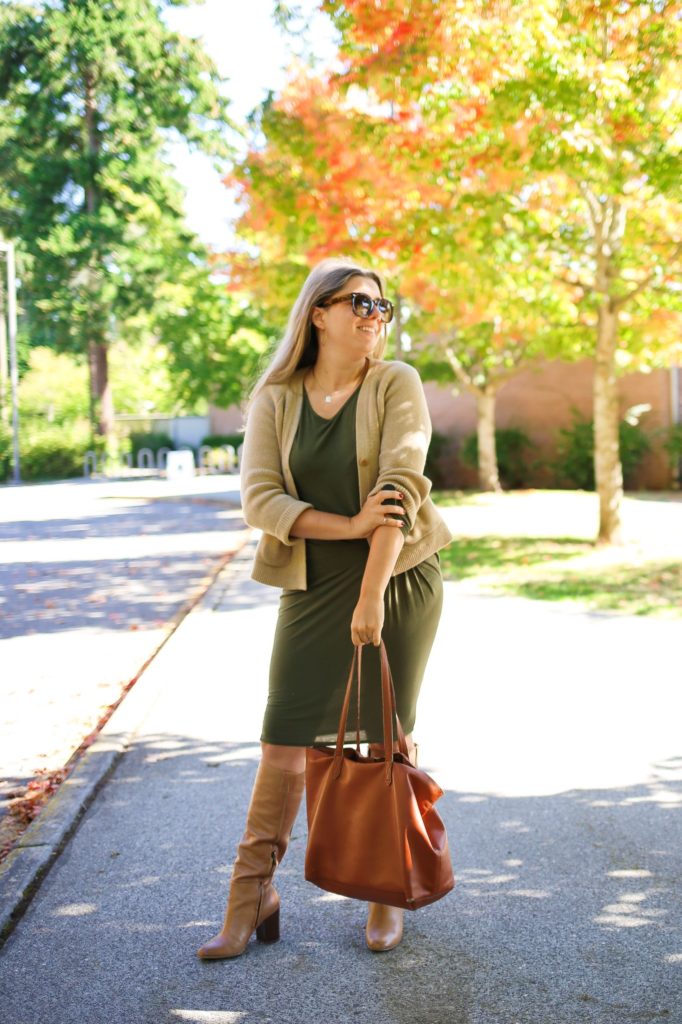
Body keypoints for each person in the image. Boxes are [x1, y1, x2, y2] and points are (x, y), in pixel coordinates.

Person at [197, 257, 453, 960]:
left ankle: (385, 890)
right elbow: (260, 501)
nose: (375, 317)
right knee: (283, 739)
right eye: (359, 304)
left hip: (396, 577)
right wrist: (344, 525)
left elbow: (401, 489)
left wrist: (371, 593)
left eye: (382, 307)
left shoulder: (396, 382)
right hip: (312, 584)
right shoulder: (276, 397)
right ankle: (250, 899)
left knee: (383, 735)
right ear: (318, 313)